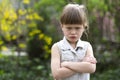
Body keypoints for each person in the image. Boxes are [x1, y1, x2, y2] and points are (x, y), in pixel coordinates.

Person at [51, 3, 97, 80]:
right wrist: (82, 64)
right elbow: (57, 74)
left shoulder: (87, 46)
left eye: (77, 28)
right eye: (69, 28)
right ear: (62, 26)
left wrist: (67, 64)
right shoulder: (57, 47)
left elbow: (91, 68)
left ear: (84, 27)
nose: (73, 32)